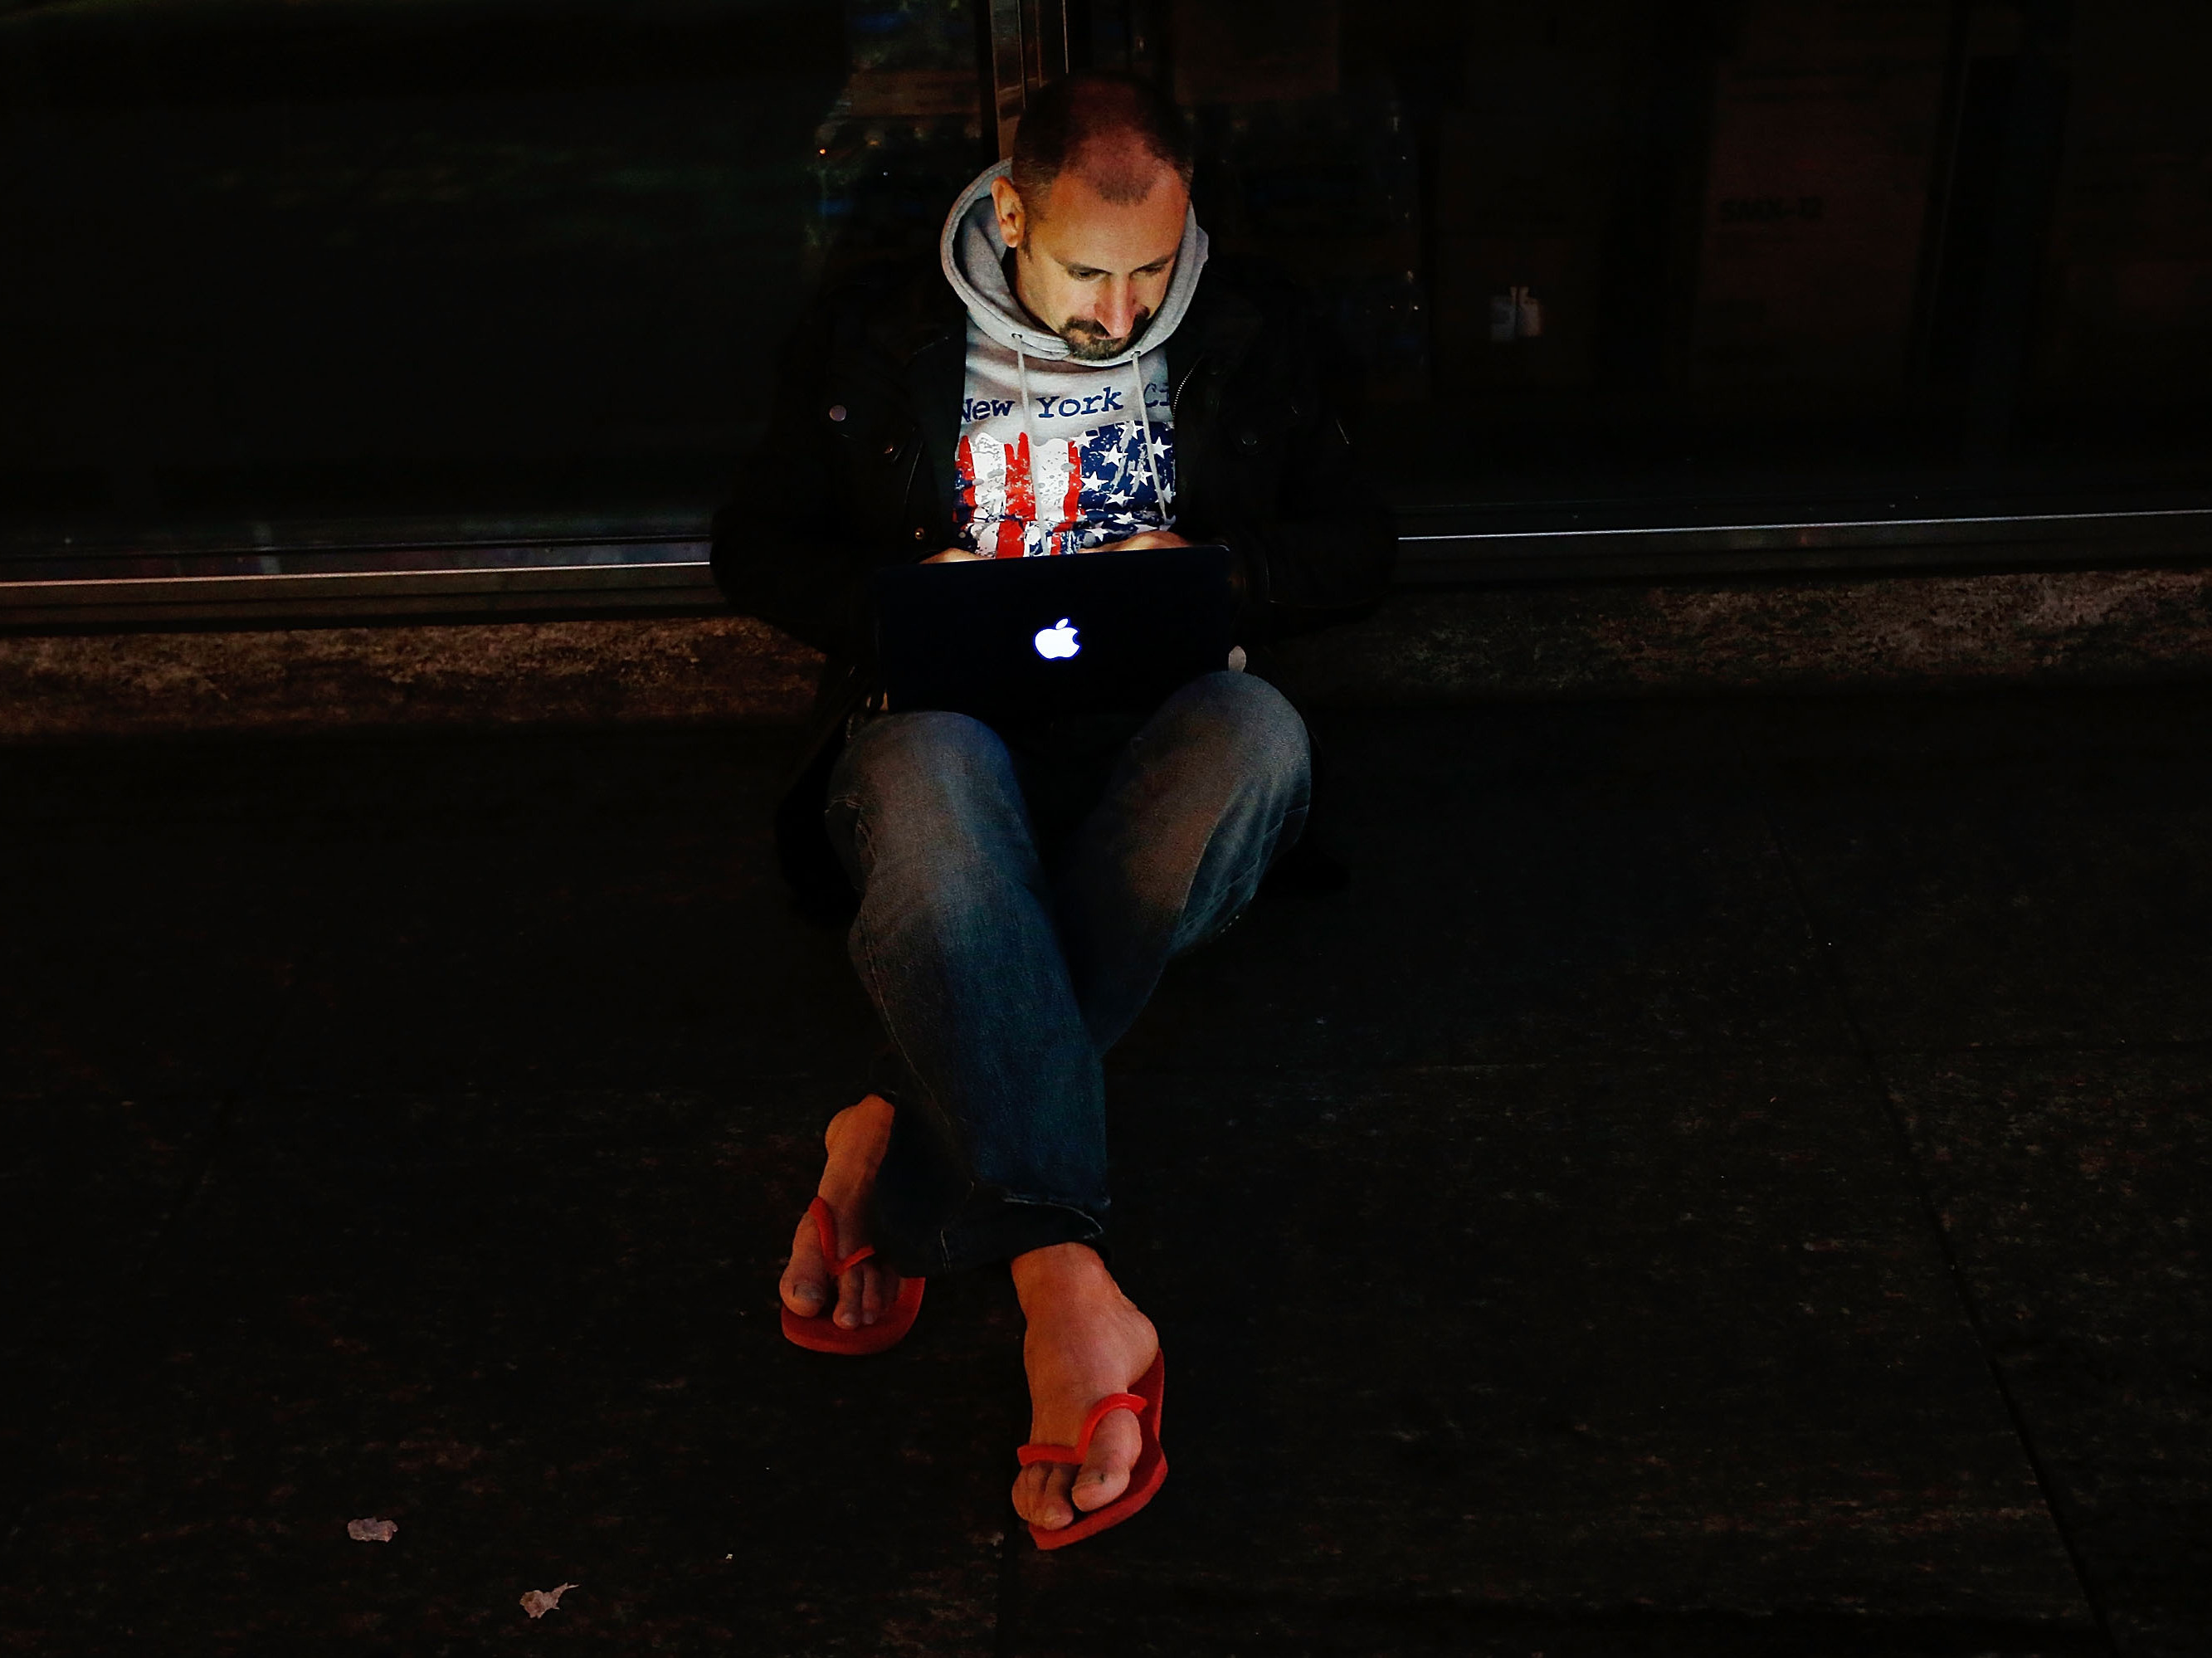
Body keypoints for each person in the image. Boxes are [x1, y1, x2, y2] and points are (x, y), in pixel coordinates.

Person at [710, 70, 1395, 1544]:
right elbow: (749, 547)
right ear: (1010, 211)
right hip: (940, 725)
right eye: (1086, 269)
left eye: (1151, 265)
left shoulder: (1246, 325)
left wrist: (1214, 575)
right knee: (935, 780)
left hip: (1160, 732)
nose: (1120, 308)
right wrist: (900, 608)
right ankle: (1063, 1286)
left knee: (1259, 730)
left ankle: (897, 1119)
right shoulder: (879, 328)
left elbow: (1362, 545)